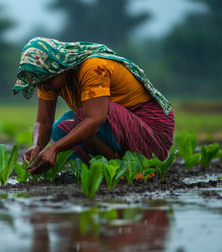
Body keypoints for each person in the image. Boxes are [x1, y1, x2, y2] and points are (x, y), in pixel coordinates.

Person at [13, 37, 175, 175]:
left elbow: (95, 119)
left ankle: (122, 169)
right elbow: (43, 122)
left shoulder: (93, 67)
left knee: (85, 118)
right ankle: (100, 171)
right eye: (38, 85)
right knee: (60, 129)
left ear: (60, 68)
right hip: (116, 124)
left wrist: (54, 148)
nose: (43, 88)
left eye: (47, 82)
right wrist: (37, 146)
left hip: (151, 131)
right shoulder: (48, 80)